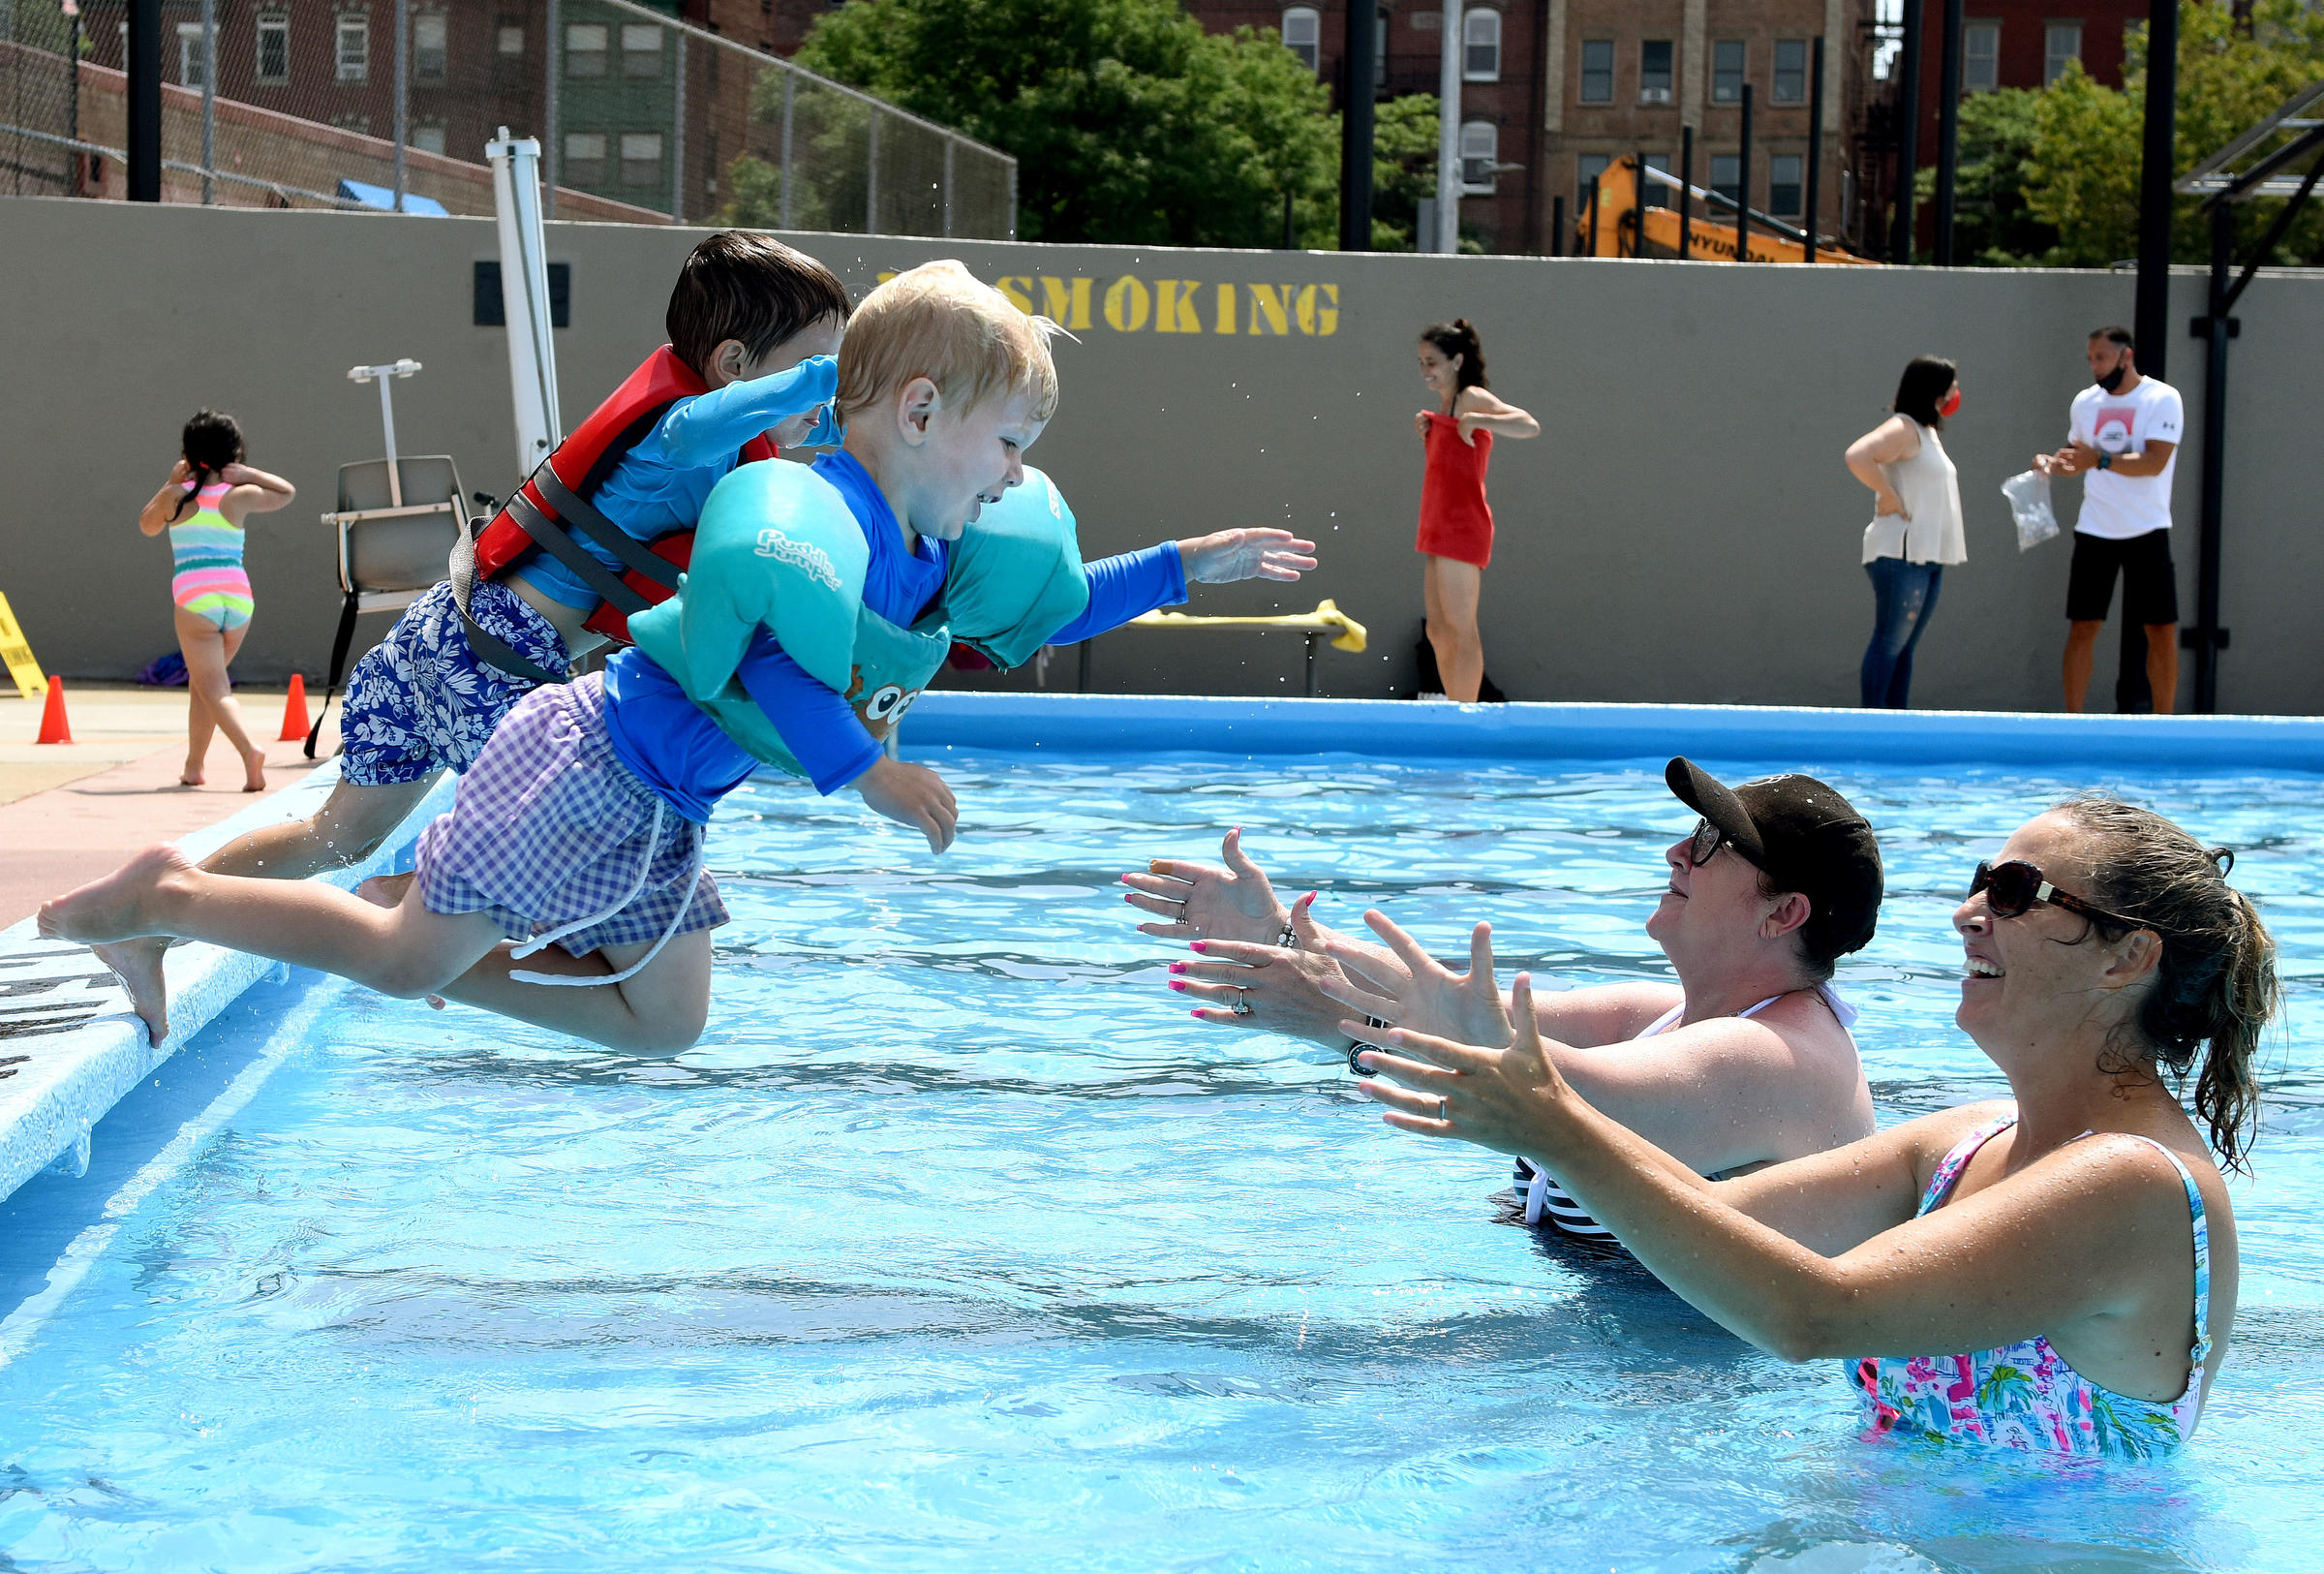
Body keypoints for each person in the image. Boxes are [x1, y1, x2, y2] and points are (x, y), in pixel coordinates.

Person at [43, 262, 1318, 1057]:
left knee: (666, 1023)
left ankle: (423, 929)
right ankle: (164, 897)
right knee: (400, 967)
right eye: (1010, 442)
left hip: (662, 806)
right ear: (920, 415)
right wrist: (867, 776)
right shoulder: (819, 518)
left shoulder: (930, 549)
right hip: (586, 760)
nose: (1020, 475)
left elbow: (1050, 605)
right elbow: (768, 659)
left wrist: (1185, 563)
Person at [91, 231, 851, 1046]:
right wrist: (842, 375)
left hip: (451, 625)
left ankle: (150, 920)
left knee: (333, 833)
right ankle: (396, 903)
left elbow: (843, 463)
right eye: (811, 368)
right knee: (576, 847)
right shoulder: (680, 436)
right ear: (735, 364)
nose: (821, 398)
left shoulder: (736, 445)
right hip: (501, 662)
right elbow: (724, 423)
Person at [1351, 795, 2275, 1459]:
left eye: (2017, 891)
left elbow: (1813, 1312)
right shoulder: (1971, 1142)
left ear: (2129, 958)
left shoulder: (2136, 1185)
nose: (1967, 915)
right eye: (1977, 883)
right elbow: (1688, 1233)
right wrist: (1396, 1043)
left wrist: (1560, 1128)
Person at [1123, 758, 1884, 1247]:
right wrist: (1286, 936)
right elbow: (1453, 1002)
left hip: (1682, 1429)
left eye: (1715, 842)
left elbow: (1539, 1091)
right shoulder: (1664, 1017)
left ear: (1784, 913)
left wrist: (1339, 1024)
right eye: (1694, 831)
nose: (1678, 852)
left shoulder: (1776, 1059)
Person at [137, 410, 297, 793]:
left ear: (187, 454)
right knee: (205, 684)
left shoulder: (175, 498)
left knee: (213, 687)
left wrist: (170, 482)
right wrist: (249, 474)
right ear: (234, 454)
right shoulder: (238, 496)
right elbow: (287, 492)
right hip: (238, 599)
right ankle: (194, 766)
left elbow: (147, 525)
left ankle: (249, 750)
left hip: (196, 599)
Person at [2038, 325, 2184, 715]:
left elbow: (2155, 462)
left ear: (2126, 357)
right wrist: (2052, 465)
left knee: (2160, 629)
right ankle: (2072, 721)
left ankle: (2163, 723)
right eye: (2090, 358)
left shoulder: (2162, 399)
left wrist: (2098, 459)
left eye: (2101, 357)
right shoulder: (2085, 403)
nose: (2094, 366)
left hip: (2148, 528)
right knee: (2083, 626)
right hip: (2096, 528)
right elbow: (2075, 458)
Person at [1412, 320, 1538, 704]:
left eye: (1432, 362)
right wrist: (1431, 433)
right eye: (1421, 363)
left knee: (1461, 627)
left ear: (1457, 360)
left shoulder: (1470, 398)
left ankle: (1467, 712)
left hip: (1462, 527)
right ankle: (1455, 705)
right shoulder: (1444, 408)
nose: (1426, 370)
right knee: (1437, 629)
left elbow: (1528, 425)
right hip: (1436, 525)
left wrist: (1478, 420)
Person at [1843, 355, 1965, 709]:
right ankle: (1873, 720)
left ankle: (1896, 718)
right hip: (1901, 554)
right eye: (1952, 386)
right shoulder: (1904, 427)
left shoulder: (1925, 432)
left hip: (1925, 555)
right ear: (1936, 391)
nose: (1956, 393)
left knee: (1905, 647)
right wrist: (1887, 494)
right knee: (1889, 641)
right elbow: (1858, 455)